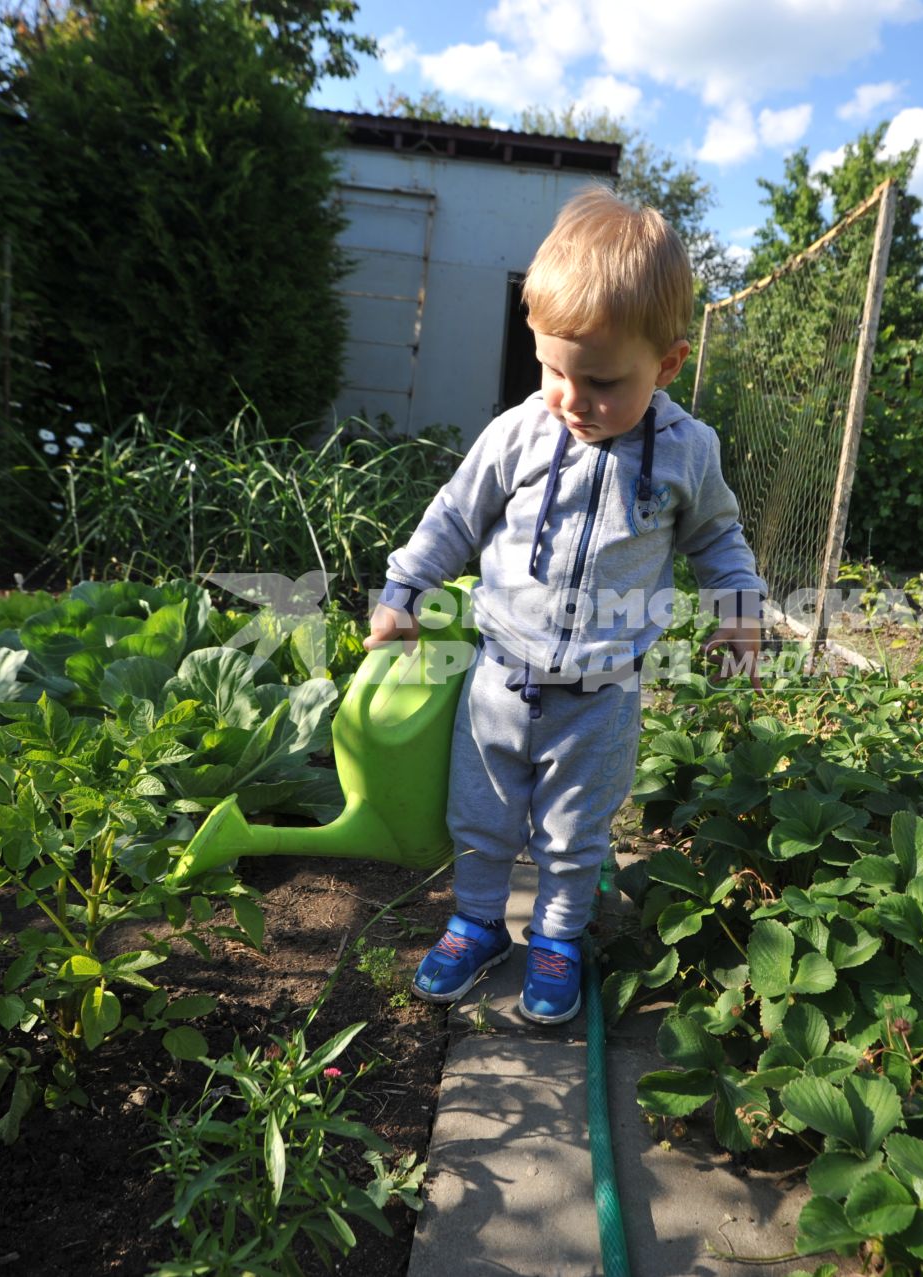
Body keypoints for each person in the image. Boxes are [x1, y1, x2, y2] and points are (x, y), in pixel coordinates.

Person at [366, 188, 767, 1025]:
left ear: (666, 365)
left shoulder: (687, 452)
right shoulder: (517, 433)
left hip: (601, 694)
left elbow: (719, 539)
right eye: (552, 369)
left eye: (601, 380)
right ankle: (478, 922)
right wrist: (405, 588)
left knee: (574, 831)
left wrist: (739, 606)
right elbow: (455, 513)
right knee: (479, 816)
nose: (571, 397)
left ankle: (555, 934)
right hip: (499, 676)